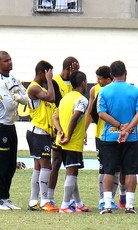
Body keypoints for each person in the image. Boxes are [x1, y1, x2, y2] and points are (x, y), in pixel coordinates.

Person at [98, 60, 138, 214]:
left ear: (111, 75)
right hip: (131, 138)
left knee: (109, 171)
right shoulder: (135, 90)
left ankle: (107, 205)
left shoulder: (103, 91)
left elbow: (101, 113)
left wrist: (119, 126)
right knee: (131, 171)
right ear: (126, 72)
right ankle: (129, 206)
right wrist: (128, 127)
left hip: (109, 137)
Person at [53, 71, 91, 213]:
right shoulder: (82, 100)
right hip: (72, 142)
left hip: (60, 141)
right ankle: (64, 205)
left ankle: (79, 204)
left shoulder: (65, 98)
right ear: (83, 83)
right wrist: (68, 136)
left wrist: (60, 131)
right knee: (72, 172)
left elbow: (55, 118)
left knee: (72, 172)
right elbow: (75, 118)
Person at [85, 65, 119, 210]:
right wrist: (84, 130)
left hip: (117, 134)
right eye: (97, 78)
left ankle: (112, 198)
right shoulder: (94, 90)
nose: (98, 81)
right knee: (104, 168)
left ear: (109, 78)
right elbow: (90, 112)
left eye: (100, 78)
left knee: (117, 169)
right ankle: (102, 199)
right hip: (101, 135)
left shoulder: (116, 90)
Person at [26, 61, 59, 212]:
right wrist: (50, 81)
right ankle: (45, 201)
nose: (49, 77)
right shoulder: (34, 88)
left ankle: (34, 200)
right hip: (37, 132)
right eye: (48, 74)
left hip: (41, 132)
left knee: (38, 167)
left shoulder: (40, 89)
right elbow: (51, 98)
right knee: (47, 166)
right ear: (42, 73)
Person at [47, 56, 79, 205]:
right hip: (59, 129)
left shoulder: (74, 84)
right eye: (75, 69)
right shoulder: (55, 82)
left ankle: (72, 200)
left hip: (72, 130)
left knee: (72, 165)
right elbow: (60, 103)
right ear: (69, 68)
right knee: (57, 162)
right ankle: (49, 197)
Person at [0, 51, 27, 210]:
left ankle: (5, 197)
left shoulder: (14, 79)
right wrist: (17, 97)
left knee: (11, 165)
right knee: (2, 164)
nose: (10, 62)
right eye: (6, 60)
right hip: (1, 126)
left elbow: (26, 98)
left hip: (11, 126)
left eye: (10, 59)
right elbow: (10, 105)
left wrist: (15, 96)